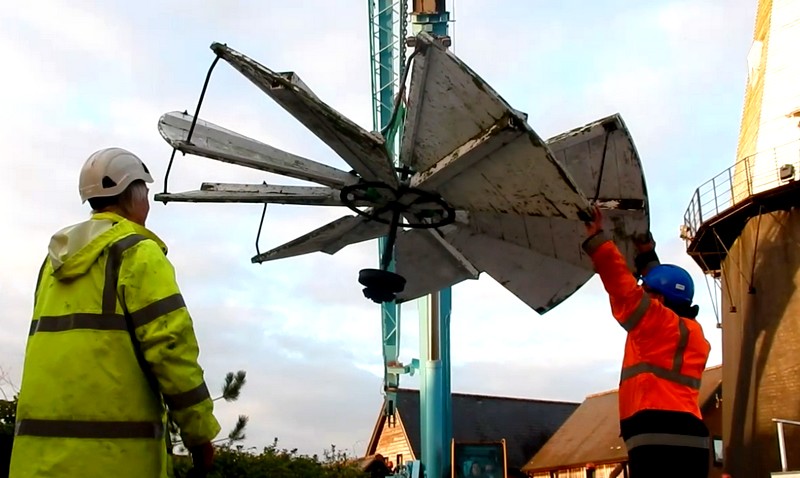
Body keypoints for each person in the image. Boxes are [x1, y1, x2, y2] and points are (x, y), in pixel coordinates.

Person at [9, 147, 221, 477]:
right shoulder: (137, 254)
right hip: (115, 463)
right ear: (134, 197)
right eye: (146, 194)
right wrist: (199, 434)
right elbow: (170, 348)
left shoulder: (52, 266)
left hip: (35, 464)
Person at [582, 206, 711, 478]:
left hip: (657, 433)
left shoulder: (658, 325)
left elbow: (624, 290)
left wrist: (598, 241)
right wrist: (647, 255)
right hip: (690, 435)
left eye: (646, 289)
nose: (640, 290)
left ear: (660, 300)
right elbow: (662, 289)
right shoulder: (692, 331)